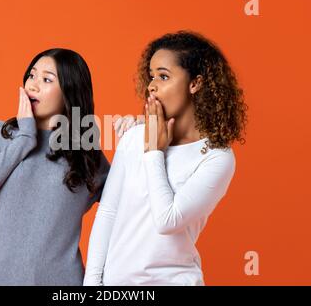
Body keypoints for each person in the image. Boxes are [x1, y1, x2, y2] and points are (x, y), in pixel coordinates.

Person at [84, 30, 248, 285]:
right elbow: (107, 213)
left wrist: (154, 151)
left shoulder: (217, 157)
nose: (151, 85)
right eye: (151, 77)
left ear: (195, 83)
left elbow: (167, 220)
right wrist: (92, 285)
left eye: (163, 76)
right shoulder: (135, 137)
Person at [0, 48, 110, 285]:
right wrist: (25, 138)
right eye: (31, 75)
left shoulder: (86, 154)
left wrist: (135, 138)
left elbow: (127, 202)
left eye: (46, 80)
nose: (33, 85)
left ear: (69, 92)